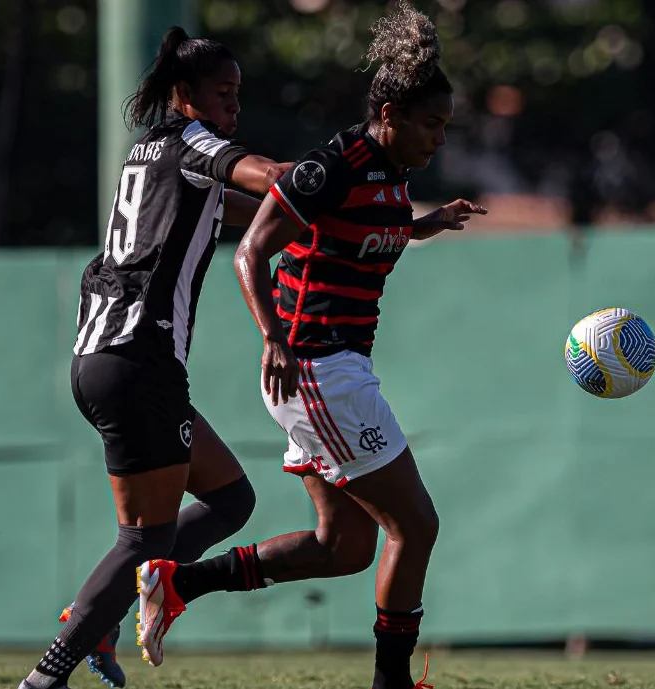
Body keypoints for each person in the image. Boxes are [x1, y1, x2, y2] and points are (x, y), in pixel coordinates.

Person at [133, 3, 486, 688]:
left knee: (344, 546)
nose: (441, 139)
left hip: (334, 368)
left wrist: (428, 223)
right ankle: (391, 682)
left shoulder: (392, 174)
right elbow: (252, 253)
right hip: (316, 365)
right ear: (389, 115)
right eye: (433, 124)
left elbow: (366, 230)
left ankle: (177, 584)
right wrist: (275, 339)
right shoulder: (334, 164)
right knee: (415, 525)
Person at [16, 27, 293, 689]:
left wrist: (343, 225)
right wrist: (333, 178)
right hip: (139, 363)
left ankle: (109, 615)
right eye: (222, 94)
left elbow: (238, 207)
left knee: (231, 498)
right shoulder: (196, 142)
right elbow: (272, 179)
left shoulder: (148, 151)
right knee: (143, 538)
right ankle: (47, 674)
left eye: (237, 95)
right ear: (184, 95)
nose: (233, 107)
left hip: (102, 357)